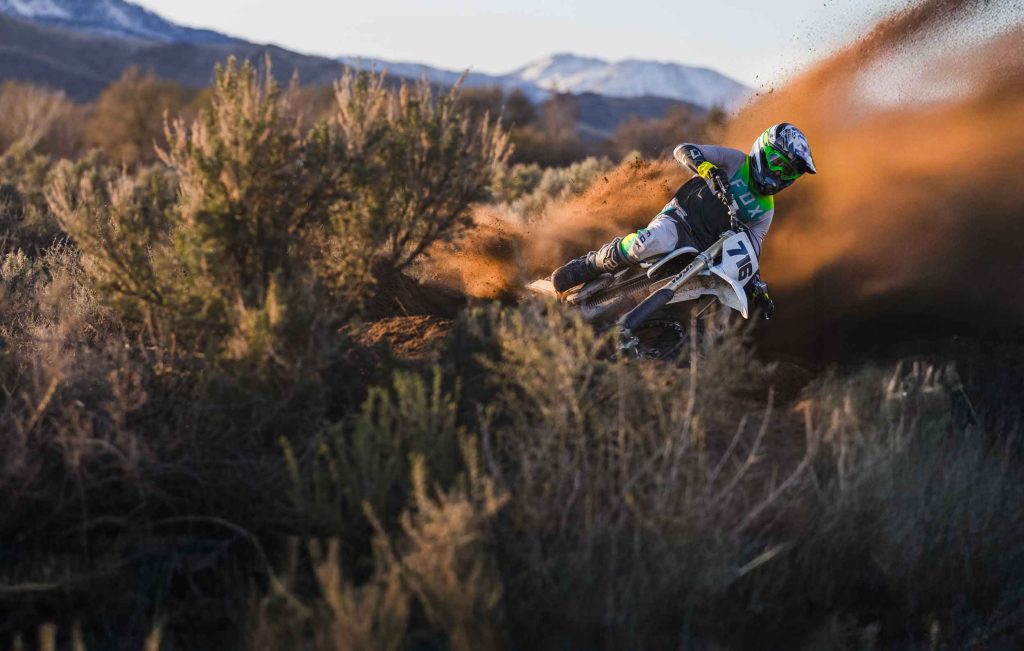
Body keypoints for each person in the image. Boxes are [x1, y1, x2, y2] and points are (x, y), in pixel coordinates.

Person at [550, 123, 817, 319]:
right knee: (647, 243)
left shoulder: (765, 211)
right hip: (679, 220)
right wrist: (706, 167)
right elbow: (684, 150)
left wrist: (758, 288)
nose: (779, 175)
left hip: (707, 253)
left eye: (789, 174)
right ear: (762, 150)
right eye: (778, 164)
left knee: (713, 307)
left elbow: (752, 251)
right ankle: (592, 262)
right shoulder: (736, 162)